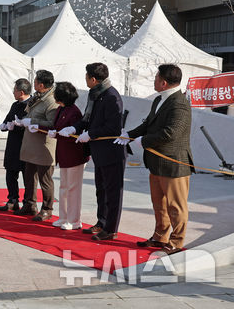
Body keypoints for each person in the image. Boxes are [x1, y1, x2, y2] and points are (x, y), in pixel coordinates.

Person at [115, 64, 193, 254]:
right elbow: (148, 124)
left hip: (173, 164)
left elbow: (171, 133)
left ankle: (176, 241)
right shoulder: (159, 99)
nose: (154, 81)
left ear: (164, 82)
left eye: (156, 78)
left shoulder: (180, 103)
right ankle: (160, 236)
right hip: (156, 163)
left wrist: (145, 140)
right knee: (159, 204)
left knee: (176, 206)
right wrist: (129, 135)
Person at [59, 63, 126, 241]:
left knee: (113, 193)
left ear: (93, 79)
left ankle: (111, 229)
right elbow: (87, 120)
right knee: (101, 190)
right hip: (99, 152)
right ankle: (101, 221)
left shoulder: (111, 96)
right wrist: (74, 128)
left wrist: (90, 134)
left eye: (87, 76)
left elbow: (113, 127)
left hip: (111, 152)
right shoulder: (96, 95)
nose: (86, 80)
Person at [14, 70, 58, 221]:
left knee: (45, 179)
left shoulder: (51, 100)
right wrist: (23, 120)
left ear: (41, 84)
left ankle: (47, 209)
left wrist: (32, 122)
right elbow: (30, 113)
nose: (33, 84)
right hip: (31, 145)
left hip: (43, 146)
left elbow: (52, 123)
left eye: (35, 82)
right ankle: (29, 204)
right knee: (29, 177)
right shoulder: (37, 97)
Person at [47, 82, 88, 230]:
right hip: (63, 154)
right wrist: (53, 131)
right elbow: (57, 126)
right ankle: (63, 217)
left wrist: (63, 133)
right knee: (64, 187)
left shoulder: (74, 112)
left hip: (75, 155)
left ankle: (74, 220)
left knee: (73, 188)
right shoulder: (61, 108)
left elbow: (75, 133)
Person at [0, 78, 31, 212]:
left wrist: (19, 124)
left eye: (14, 90)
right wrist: (5, 125)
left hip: (26, 143)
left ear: (21, 92)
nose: (13, 92)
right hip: (12, 143)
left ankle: (27, 202)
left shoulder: (31, 104)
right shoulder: (15, 104)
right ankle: (12, 199)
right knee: (10, 172)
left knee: (26, 174)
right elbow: (8, 119)